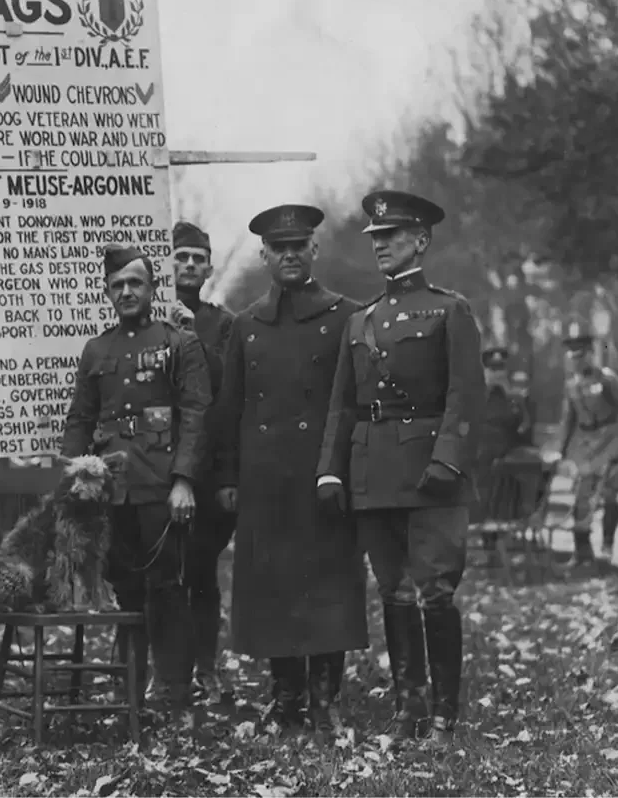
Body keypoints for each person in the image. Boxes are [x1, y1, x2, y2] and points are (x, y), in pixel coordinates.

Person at [315, 190, 484, 745]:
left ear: (421, 241)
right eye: (375, 238)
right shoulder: (361, 320)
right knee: (394, 591)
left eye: (391, 236)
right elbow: (342, 405)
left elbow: (465, 397)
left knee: (436, 592)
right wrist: (330, 471)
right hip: (374, 474)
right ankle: (408, 709)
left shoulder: (448, 309)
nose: (381, 244)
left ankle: (444, 714)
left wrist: (447, 461)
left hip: (432, 475)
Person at [215, 205, 367, 737]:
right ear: (264, 256)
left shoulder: (346, 315)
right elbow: (230, 408)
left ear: (314, 251)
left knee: (328, 585)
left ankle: (325, 699)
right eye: (279, 248)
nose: (289, 255)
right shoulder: (246, 325)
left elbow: (351, 403)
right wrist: (229, 478)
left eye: (298, 245)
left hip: (323, 478)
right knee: (273, 588)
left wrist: (342, 471)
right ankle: (286, 698)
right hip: (264, 480)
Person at [60, 243, 211, 711]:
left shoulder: (178, 343)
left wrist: (184, 480)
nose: (127, 292)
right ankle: (131, 686)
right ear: (107, 292)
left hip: (161, 486)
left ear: (151, 288)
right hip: (112, 490)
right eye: (117, 285)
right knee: (124, 589)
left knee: (167, 586)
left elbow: (195, 413)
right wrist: (73, 484)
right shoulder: (96, 349)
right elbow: (80, 421)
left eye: (135, 283)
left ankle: (174, 690)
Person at [171, 221, 236, 702]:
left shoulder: (222, 323)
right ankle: (165, 670)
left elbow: (228, 394)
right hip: (159, 466)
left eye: (197, 258)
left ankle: (207, 668)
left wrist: (193, 337)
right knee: (158, 575)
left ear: (209, 267)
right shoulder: (148, 316)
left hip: (209, 467)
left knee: (202, 573)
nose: (189, 265)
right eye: (181, 257)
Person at [556, 325, 618, 564]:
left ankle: (607, 546)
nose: (576, 360)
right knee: (582, 496)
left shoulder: (607, 379)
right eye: (572, 356)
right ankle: (582, 552)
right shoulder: (571, 385)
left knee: (609, 494)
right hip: (587, 446)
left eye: (581, 355)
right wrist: (561, 451)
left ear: (591, 354)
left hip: (611, 440)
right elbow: (567, 420)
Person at [472, 347, 534, 563]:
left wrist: (514, 400)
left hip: (507, 463)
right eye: (492, 368)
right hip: (480, 462)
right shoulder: (475, 397)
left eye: (500, 368)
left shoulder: (516, 398)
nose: (497, 373)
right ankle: (489, 548)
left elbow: (526, 431)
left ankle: (502, 545)